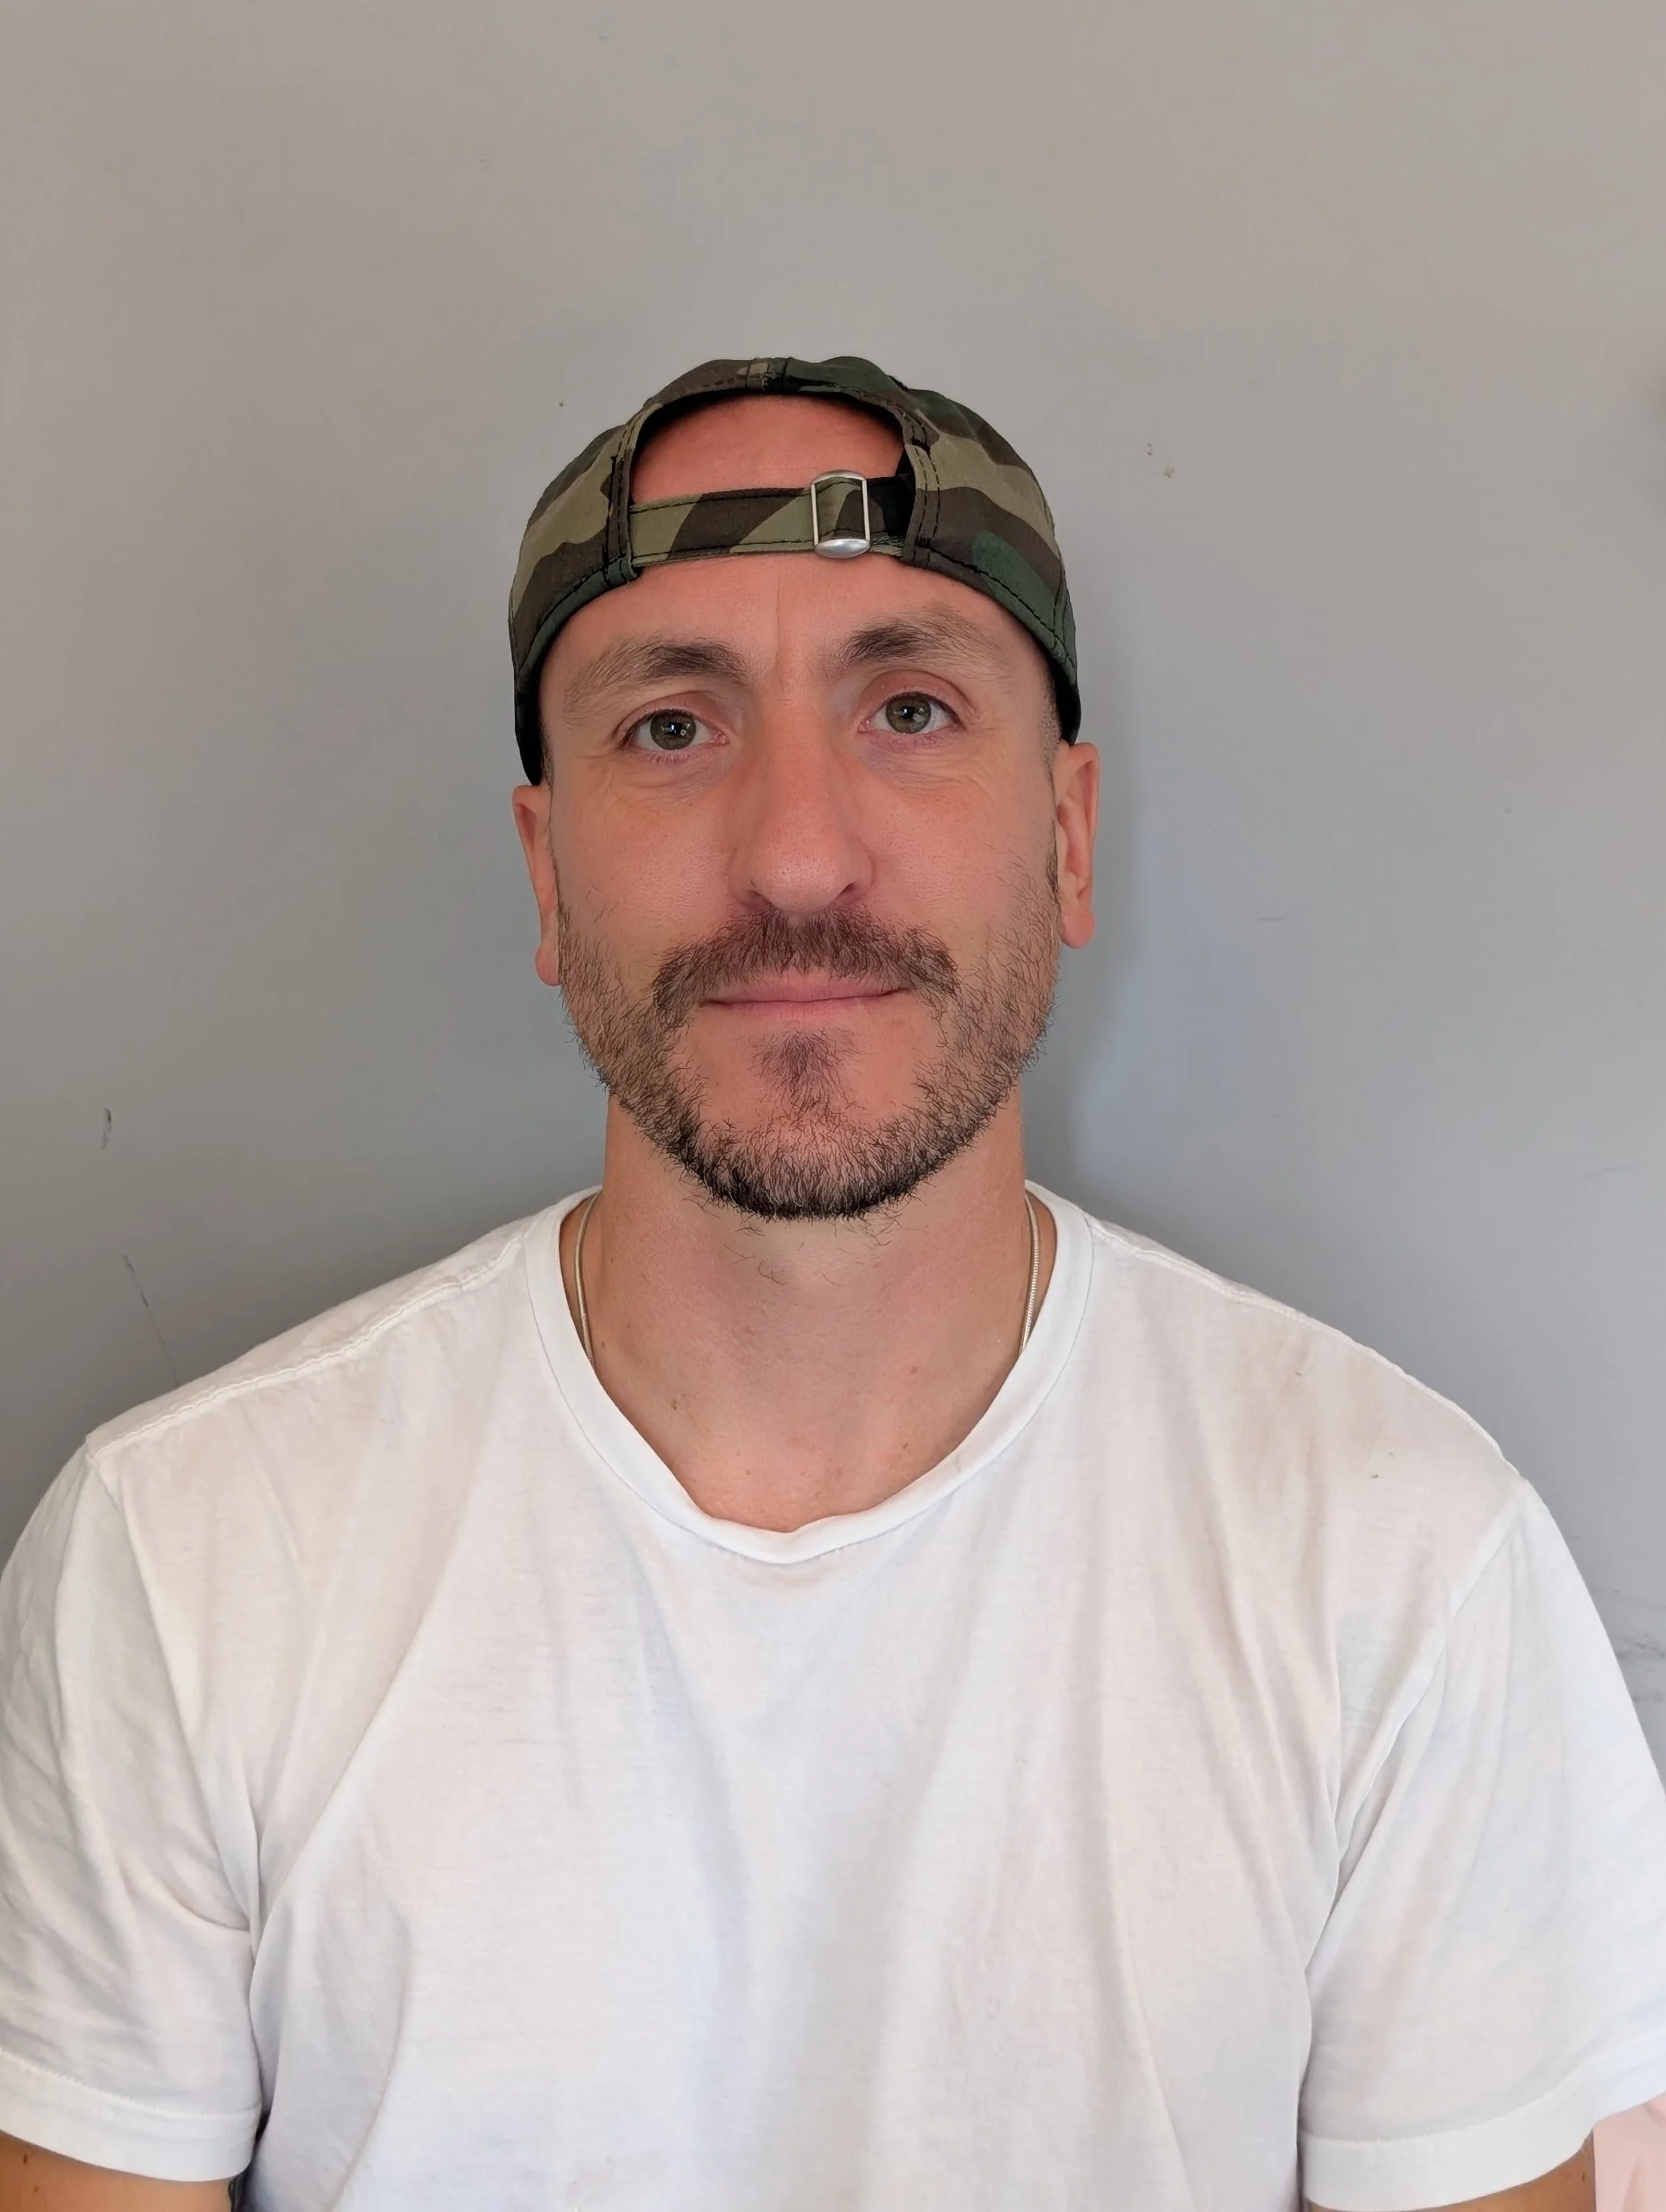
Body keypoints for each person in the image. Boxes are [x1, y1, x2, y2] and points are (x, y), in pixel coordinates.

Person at [0, 354, 1663, 2212]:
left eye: (912, 707)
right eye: (669, 729)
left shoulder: (1401, 1564)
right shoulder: (180, 1559)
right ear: (547, 882)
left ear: (1067, 834)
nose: (796, 854)